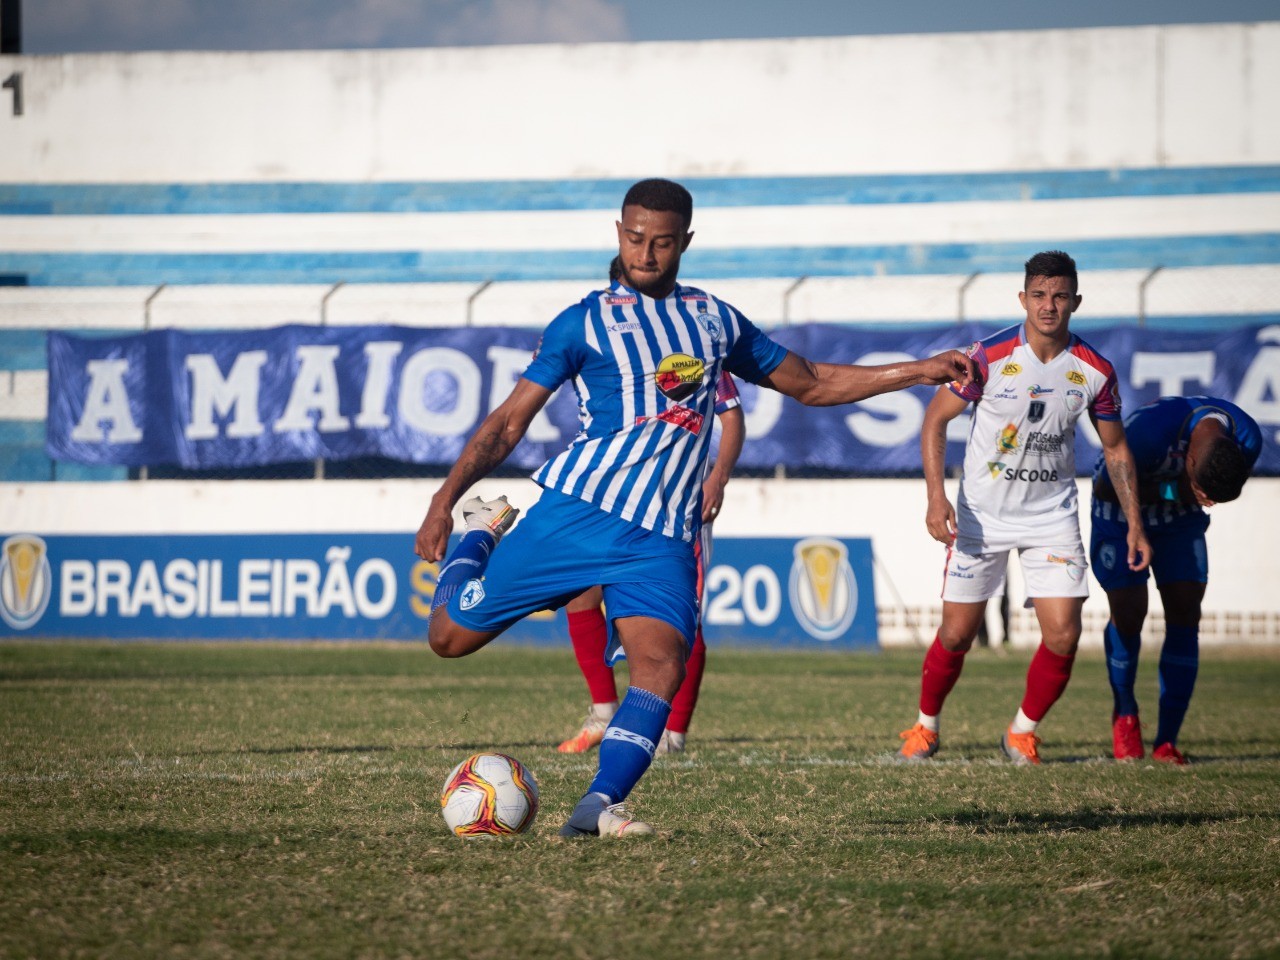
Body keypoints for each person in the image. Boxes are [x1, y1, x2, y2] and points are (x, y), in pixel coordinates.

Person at [416, 177, 976, 839]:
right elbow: (509, 423)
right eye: (633, 238)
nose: (645, 253)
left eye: (660, 242)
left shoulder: (713, 319)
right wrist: (446, 502)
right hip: (578, 512)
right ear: (617, 234)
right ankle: (483, 534)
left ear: (684, 241)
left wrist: (916, 370)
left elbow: (813, 382)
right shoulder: (582, 322)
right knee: (449, 639)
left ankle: (598, 809)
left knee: (661, 667)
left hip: (662, 537)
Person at [897, 250, 1152, 766]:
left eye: (1059, 296)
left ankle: (1021, 732)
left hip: (1051, 518)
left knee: (1063, 634)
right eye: (1039, 295)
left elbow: (1116, 449)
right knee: (956, 633)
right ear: (1023, 299)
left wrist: (1135, 525)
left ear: (1076, 301)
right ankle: (925, 727)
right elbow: (935, 421)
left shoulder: (1095, 371)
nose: (1048, 306)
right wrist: (934, 496)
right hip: (980, 517)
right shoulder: (987, 358)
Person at [557, 370, 744, 757]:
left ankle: (671, 733)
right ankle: (604, 713)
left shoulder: (697, 352)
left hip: (680, 492)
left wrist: (718, 478)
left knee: (684, 613)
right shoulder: (616, 348)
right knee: (580, 592)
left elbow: (732, 416)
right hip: (614, 486)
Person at [1091, 395, 1261, 764]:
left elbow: (1217, 490)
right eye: (1204, 490)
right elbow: (1106, 488)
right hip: (1120, 511)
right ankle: (1124, 713)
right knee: (1130, 613)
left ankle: (1167, 740)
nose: (1210, 500)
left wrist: (1191, 495)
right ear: (1191, 459)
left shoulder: (1247, 437)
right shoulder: (1150, 434)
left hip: (1180, 517)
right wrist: (1178, 491)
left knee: (1185, 614)